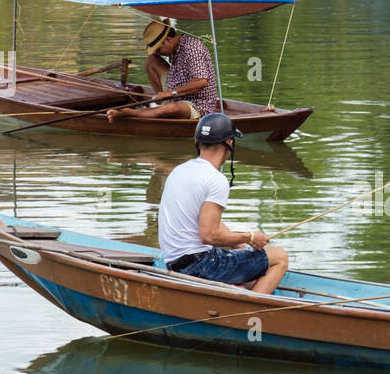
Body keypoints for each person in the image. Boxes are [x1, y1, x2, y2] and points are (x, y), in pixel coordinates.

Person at [159, 112, 288, 294]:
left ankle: (238, 288)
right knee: (280, 257)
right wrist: (250, 237)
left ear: (197, 142)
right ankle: (247, 311)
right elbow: (209, 236)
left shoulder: (179, 171)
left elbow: (209, 221)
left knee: (248, 261)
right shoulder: (215, 179)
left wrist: (240, 245)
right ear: (230, 143)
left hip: (174, 264)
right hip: (200, 266)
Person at [108, 19, 219, 123]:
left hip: (197, 104)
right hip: (176, 92)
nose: (158, 53)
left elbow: (202, 81)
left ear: (168, 40)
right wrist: (169, 94)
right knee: (152, 61)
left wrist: (172, 93)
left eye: (159, 49)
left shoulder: (192, 49)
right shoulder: (175, 47)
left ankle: (133, 113)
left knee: (172, 108)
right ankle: (161, 106)